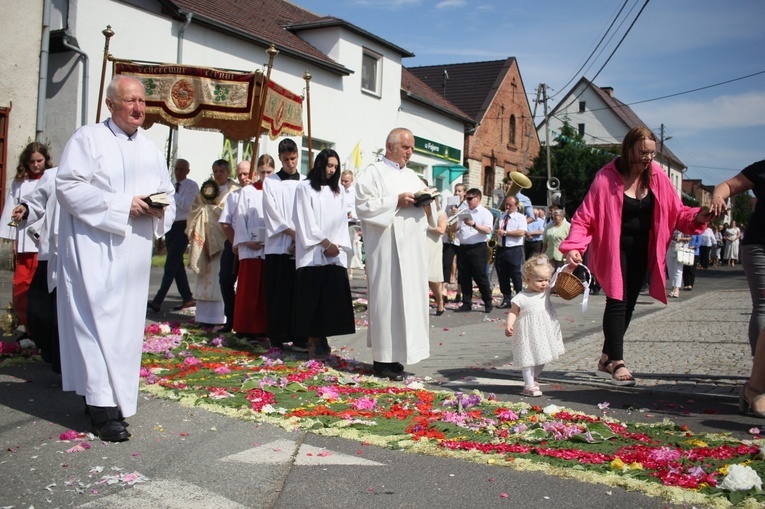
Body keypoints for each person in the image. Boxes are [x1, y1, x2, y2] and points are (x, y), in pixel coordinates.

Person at [55, 75, 175, 441]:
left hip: (133, 256)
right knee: (97, 325)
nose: (138, 108)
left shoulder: (151, 149)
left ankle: (116, 401)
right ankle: (101, 410)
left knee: (124, 332)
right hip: (96, 251)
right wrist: (124, 205)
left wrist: (159, 208)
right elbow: (68, 186)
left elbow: (167, 191)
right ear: (111, 104)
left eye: (141, 101)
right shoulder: (88, 139)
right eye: (130, 101)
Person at [560, 126, 713, 386]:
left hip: (644, 248)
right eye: (643, 153)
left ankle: (606, 357)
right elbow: (585, 217)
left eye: (652, 153)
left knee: (629, 302)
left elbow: (677, 212)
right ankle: (617, 361)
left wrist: (698, 217)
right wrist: (575, 246)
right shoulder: (605, 177)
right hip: (613, 247)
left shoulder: (657, 177)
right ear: (629, 148)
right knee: (617, 299)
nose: (648, 159)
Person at [355, 127, 435, 380]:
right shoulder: (372, 173)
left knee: (408, 303)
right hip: (386, 249)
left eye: (411, 148)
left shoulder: (413, 175)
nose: (410, 153)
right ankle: (383, 360)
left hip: (411, 251)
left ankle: (398, 355)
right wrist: (394, 201)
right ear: (390, 146)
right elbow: (363, 206)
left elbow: (430, 209)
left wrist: (428, 199)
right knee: (387, 301)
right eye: (406, 147)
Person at [710, 160, 765, 416]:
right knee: (764, 306)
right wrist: (718, 196)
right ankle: (758, 384)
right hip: (760, 245)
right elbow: (728, 186)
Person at [292, 149, 355, 360]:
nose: (332, 170)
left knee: (329, 298)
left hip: (333, 252)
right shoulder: (304, 188)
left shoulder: (339, 191)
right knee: (312, 298)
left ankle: (324, 335)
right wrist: (324, 243)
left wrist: (335, 245)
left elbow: (341, 222)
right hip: (312, 252)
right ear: (320, 164)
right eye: (329, 165)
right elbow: (305, 220)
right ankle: (313, 339)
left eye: (335, 167)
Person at [0, 142, 52, 337]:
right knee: (21, 284)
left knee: (39, 287)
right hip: (24, 241)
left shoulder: (50, 178)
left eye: (39, 161)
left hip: (43, 241)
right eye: (32, 161)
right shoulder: (19, 182)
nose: (36, 165)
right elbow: (10, 210)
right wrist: (11, 239)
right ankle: (25, 326)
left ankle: (39, 326)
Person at [11, 165, 60, 372]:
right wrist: (26, 209)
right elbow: (37, 200)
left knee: (65, 315)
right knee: (38, 310)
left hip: (81, 256)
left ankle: (62, 363)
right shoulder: (54, 174)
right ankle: (48, 349)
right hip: (50, 253)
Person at [263, 138, 308, 351]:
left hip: (301, 245)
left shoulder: (307, 182)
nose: (290, 163)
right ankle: (277, 337)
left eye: (293, 158)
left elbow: (310, 212)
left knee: (298, 294)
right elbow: (271, 212)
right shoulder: (271, 182)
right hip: (278, 244)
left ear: (298, 155)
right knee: (278, 292)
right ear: (280, 158)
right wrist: (292, 233)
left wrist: (301, 238)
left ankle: (299, 338)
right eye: (285, 159)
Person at [186, 160, 238, 326]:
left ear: (228, 172)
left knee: (220, 278)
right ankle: (203, 317)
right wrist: (204, 210)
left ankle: (220, 317)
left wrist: (212, 211)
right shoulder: (206, 189)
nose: (218, 174)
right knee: (205, 275)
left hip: (224, 240)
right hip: (205, 237)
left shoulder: (235, 191)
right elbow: (195, 207)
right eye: (215, 171)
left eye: (221, 171)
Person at [504, 254, 564, 397]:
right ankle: (528, 385)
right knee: (528, 359)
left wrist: (570, 268)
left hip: (544, 331)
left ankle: (534, 378)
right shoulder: (521, 297)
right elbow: (513, 312)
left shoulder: (546, 291)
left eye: (547, 280)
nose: (544, 283)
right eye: (540, 280)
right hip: (527, 333)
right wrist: (509, 325)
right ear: (527, 279)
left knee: (543, 357)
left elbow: (560, 278)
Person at [232, 155, 274, 340]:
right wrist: (245, 241)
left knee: (265, 288)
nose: (265, 175)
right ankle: (245, 326)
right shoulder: (247, 192)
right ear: (256, 172)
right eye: (262, 172)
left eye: (269, 172)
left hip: (269, 246)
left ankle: (264, 327)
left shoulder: (276, 190)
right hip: (250, 246)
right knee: (248, 289)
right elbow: (240, 218)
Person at [148, 159, 198, 312]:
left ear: (187, 171)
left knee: (171, 263)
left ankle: (158, 299)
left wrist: (172, 195)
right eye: (177, 169)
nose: (179, 172)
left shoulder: (191, 186)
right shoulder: (170, 185)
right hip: (170, 226)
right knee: (177, 265)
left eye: (182, 169)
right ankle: (187, 297)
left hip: (182, 226)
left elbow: (186, 205)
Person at [217, 160, 251, 332]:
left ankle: (247, 321)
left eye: (246, 173)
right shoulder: (234, 196)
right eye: (240, 174)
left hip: (255, 246)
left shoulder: (262, 194)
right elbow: (225, 222)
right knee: (225, 279)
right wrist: (234, 242)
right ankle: (230, 317)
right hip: (234, 244)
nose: (243, 177)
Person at [450, 188, 494, 313]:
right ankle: (466, 303)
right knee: (464, 277)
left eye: (469, 198)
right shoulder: (464, 211)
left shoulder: (485, 213)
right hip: (463, 247)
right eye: (466, 198)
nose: (467, 201)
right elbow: (454, 229)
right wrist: (454, 217)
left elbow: (487, 230)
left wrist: (473, 224)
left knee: (480, 276)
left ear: (478, 199)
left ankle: (487, 301)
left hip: (478, 248)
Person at [494, 195, 526, 308]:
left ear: (516, 206)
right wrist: (497, 233)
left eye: (510, 205)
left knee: (515, 274)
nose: (507, 207)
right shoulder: (502, 216)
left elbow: (521, 232)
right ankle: (507, 298)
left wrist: (506, 233)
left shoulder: (520, 217)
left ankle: (519, 298)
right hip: (501, 248)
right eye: (506, 204)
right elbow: (497, 230)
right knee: (502, 274)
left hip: (514, 249)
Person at [422, 179, 447, 316]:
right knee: (420, 276)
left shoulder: (441, 213)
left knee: (432, 277)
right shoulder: (420, 211)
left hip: (433, 244)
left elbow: (441, 230)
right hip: (421, 243)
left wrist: (428, 226)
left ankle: (440, 301)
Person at [442, 183, 466, 301]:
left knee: (461, 266)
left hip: (460, 239)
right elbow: (445, 218)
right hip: (449, 238)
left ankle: (459, 292)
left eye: (460, 191)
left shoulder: (466, 205)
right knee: (446, 264)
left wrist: (457, 214)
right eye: (456, 191)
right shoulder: (449, 204)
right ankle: (444, 291)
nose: (457, 193)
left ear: (464, 193)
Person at [666, 230, 691, 298]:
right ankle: (673, 288)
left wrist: (680, 239)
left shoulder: (684, 227)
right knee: (670, 270)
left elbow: (689, 238)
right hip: (669, 249)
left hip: (680, 250)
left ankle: (677, 289)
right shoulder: (671, 226)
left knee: (678, 270)